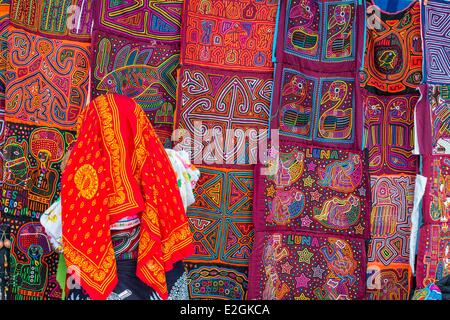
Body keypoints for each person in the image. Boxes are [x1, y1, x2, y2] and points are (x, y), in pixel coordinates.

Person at [41, 94, 197, 300]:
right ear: (139, 123)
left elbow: (57, 232)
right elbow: (189, 187)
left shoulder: (81, 174)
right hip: (161, 267)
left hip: (100, 277)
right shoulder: (169, 162)